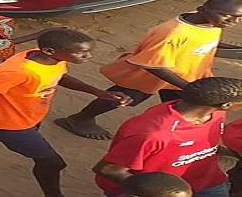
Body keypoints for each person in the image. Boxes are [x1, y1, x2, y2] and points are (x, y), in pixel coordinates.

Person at [0, 29, 132, 194]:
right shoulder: (18, 70)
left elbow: (60, 77)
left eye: (89, 51)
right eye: (82, 52)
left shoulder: (51, 60)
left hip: (28, 116)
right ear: (49, 51)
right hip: (10, 123)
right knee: (52, 163)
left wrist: (98, 92)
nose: (89, 56)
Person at [55, 0, 242, 140]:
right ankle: (79, 119)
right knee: (121, 97)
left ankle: (180, 134)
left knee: (185, 107)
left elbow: (203, 42)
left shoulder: (211, 23)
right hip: (155, 76)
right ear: (202, 9)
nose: (232, 21)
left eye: (238, 18)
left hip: (185, 75)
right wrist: (187, 86)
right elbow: (153, 66)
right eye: (227, 15)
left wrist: (234, 50)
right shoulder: (173, 33)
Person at [94, 77, 242, 197]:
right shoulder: (152, 133)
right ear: (226, 105)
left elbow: (198, 144)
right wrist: (161, 191)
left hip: (208, 183)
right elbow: (107, 169)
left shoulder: (216, 114)